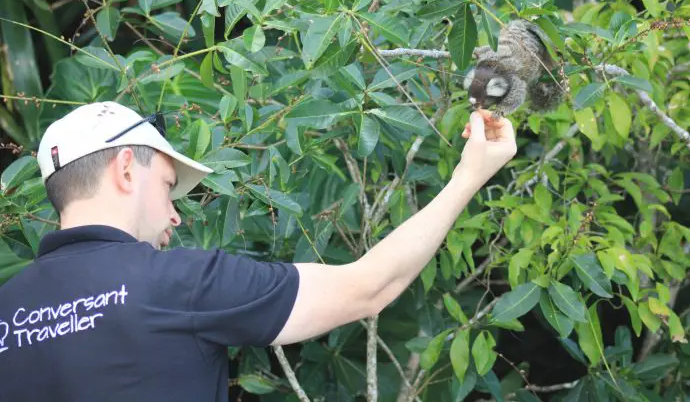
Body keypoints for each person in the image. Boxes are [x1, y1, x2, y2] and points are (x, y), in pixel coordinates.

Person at [0, 101, 516, 402]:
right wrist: (470, 175)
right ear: (127, 169)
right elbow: (369, 287)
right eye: (167, 184)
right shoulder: (179, 284)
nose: (176, 216)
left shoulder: (6, 312)